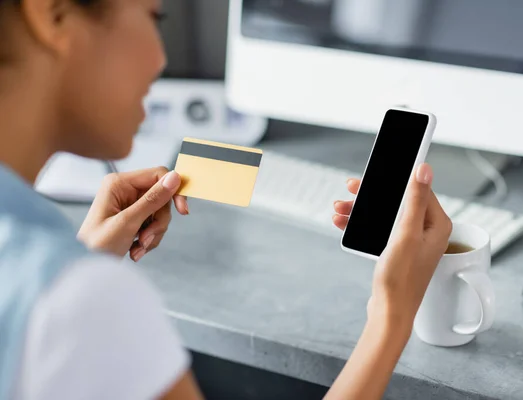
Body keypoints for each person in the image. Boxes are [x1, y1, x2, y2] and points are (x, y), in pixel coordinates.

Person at [0, 0, 452, 399]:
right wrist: (392, 316)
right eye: (153, 16)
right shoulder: (79, 301)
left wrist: (86, 259)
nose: (160, 58)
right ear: (52, 13)